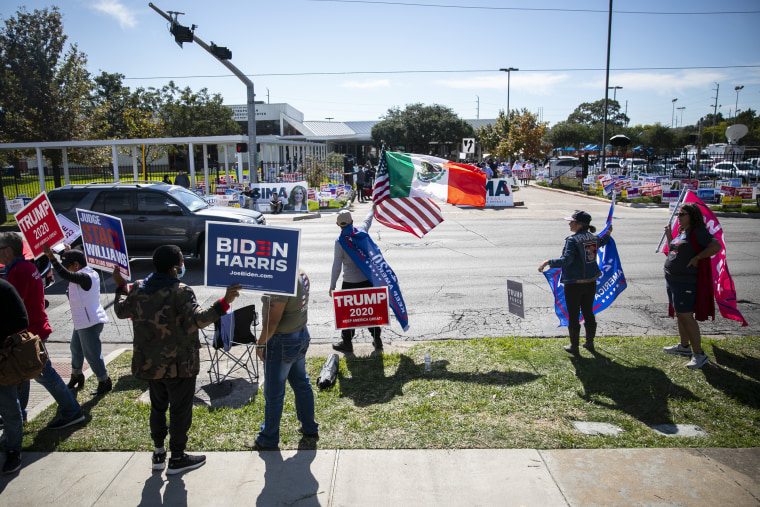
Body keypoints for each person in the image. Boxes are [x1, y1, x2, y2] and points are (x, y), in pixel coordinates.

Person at [113, 245, 242, 474]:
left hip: (150, 365)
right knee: (180, 411)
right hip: (179, 365)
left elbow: (121, 310)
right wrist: (225, 301)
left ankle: (159, 453)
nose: (183, 266)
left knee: (158, 408)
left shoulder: (138, 288)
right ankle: (178, 458)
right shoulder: (181, 291)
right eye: (181, 261)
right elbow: (199, 320)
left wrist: (120, 286)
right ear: (175, 268)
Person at [0, 232, 85, 430]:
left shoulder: (18, 271)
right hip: (33, 329)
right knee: (23, 374)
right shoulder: (26, 266)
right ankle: (19, 414)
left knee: (42, 374)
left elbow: (14, 305)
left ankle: (71, 411)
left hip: (29, 333)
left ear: (7, 251)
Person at [248, 269, 318, 451]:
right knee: (301, 383)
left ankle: (268, 438)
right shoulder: (300, 272)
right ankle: (309, 426)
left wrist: (261, 343)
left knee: (274, 392)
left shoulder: (281, 278)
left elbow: (273, 321)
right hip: (300, 334)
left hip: (282, 340)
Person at [538, 211, 612, 354]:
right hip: (590, 282)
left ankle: (574, 346)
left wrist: (548, 262)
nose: (569, 223)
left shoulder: (572, 240)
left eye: (572, 221)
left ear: (580, 224)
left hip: (574, 284)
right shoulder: (593, 238)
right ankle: (589, 343)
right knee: (588, 312)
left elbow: (567, 261)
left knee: (573, 314)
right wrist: (608, 232)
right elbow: (604, 240)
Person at [43, 244, 112, 396]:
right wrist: (65, 252)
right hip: (82, 320)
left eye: (68, 266)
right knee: (76, 348)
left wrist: (52, 258)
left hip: (90, 322)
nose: (66, 269)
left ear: (76, 265)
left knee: (92, 354)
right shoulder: (81, 269)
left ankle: (104, 380)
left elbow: (66, 275)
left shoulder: (86, 276)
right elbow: (75, 259)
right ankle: (76, 375)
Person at [662, 202, 721, 369]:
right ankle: (684, 346)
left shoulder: (698, 232)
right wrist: (668, 236)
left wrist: (698, 257)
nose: (678, 217)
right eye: (678, 214)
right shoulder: (683, 232)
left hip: (685, 282)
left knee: (686, 316)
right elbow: (674, 251)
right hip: (673, 280)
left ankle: (699, 355)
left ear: (692, 216)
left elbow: (716, 246)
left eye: (681, 214)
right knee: (680, 315)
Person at [329, 207, 382, 354]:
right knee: (371, 312)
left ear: (338, 224)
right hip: (367, 280)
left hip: (349, 283)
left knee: (347, 314)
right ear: (352, 221)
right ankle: (377, 340)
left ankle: (347, 343)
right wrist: (373, 207)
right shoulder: (361, 232)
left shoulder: (340, 242)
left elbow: (336, 266)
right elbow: (368, 220)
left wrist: (332, 286)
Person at [0, 278, 28, 474]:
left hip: (2, 359)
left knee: (9, 406)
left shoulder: (4, 288)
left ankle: (13, 450)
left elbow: (22, 320)